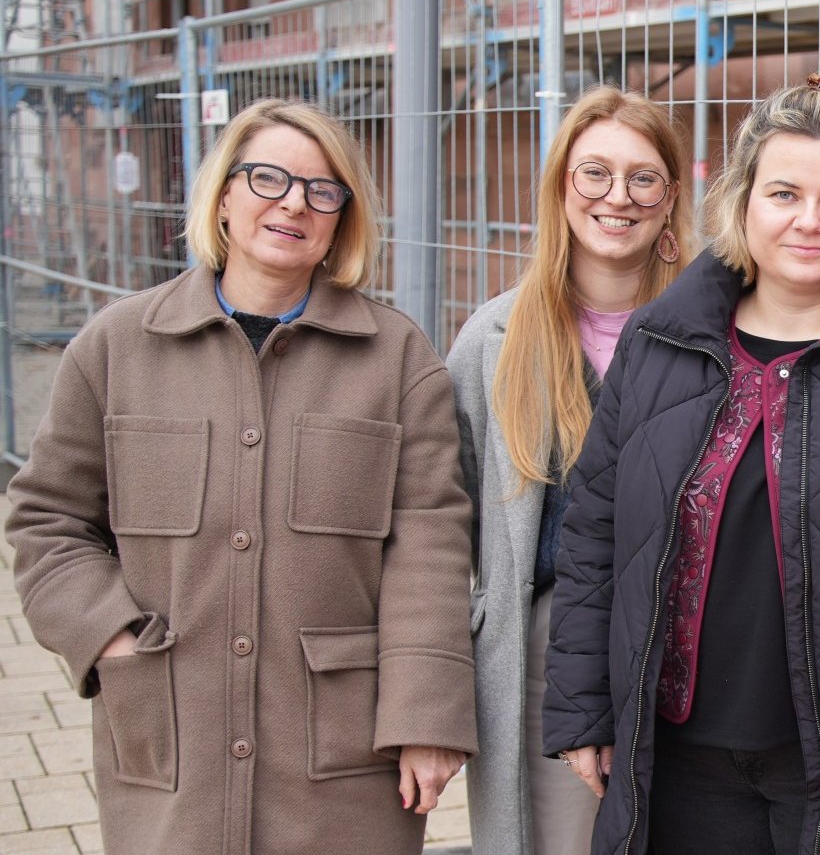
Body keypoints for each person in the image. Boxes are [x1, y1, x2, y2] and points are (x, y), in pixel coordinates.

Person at [6, 99, 477, 855]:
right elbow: (47, 521)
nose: (294, 201)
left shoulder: (396, 360)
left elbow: (430, 547)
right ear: (223, 196)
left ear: (340, 220)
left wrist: (427, 717)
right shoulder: (116, 348)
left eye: (322, 190)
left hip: (342, 761)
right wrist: (111, 638)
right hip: (170, 745)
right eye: (268, 179)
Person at [540, 71, 820, 855]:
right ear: (742, 202)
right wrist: (584, 714)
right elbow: (594, 534)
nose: (809, 221)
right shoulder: (660, 340)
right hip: (679, 755)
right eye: (783, 194)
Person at [449, 86, 692, 855]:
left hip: (691, 649)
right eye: (594, 173)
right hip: (547, 660)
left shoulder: (717, 335)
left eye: (642, 177)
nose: (617, 197)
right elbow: (441, 516)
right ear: (560, 188)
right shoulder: (491, 341)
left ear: (670, 199)